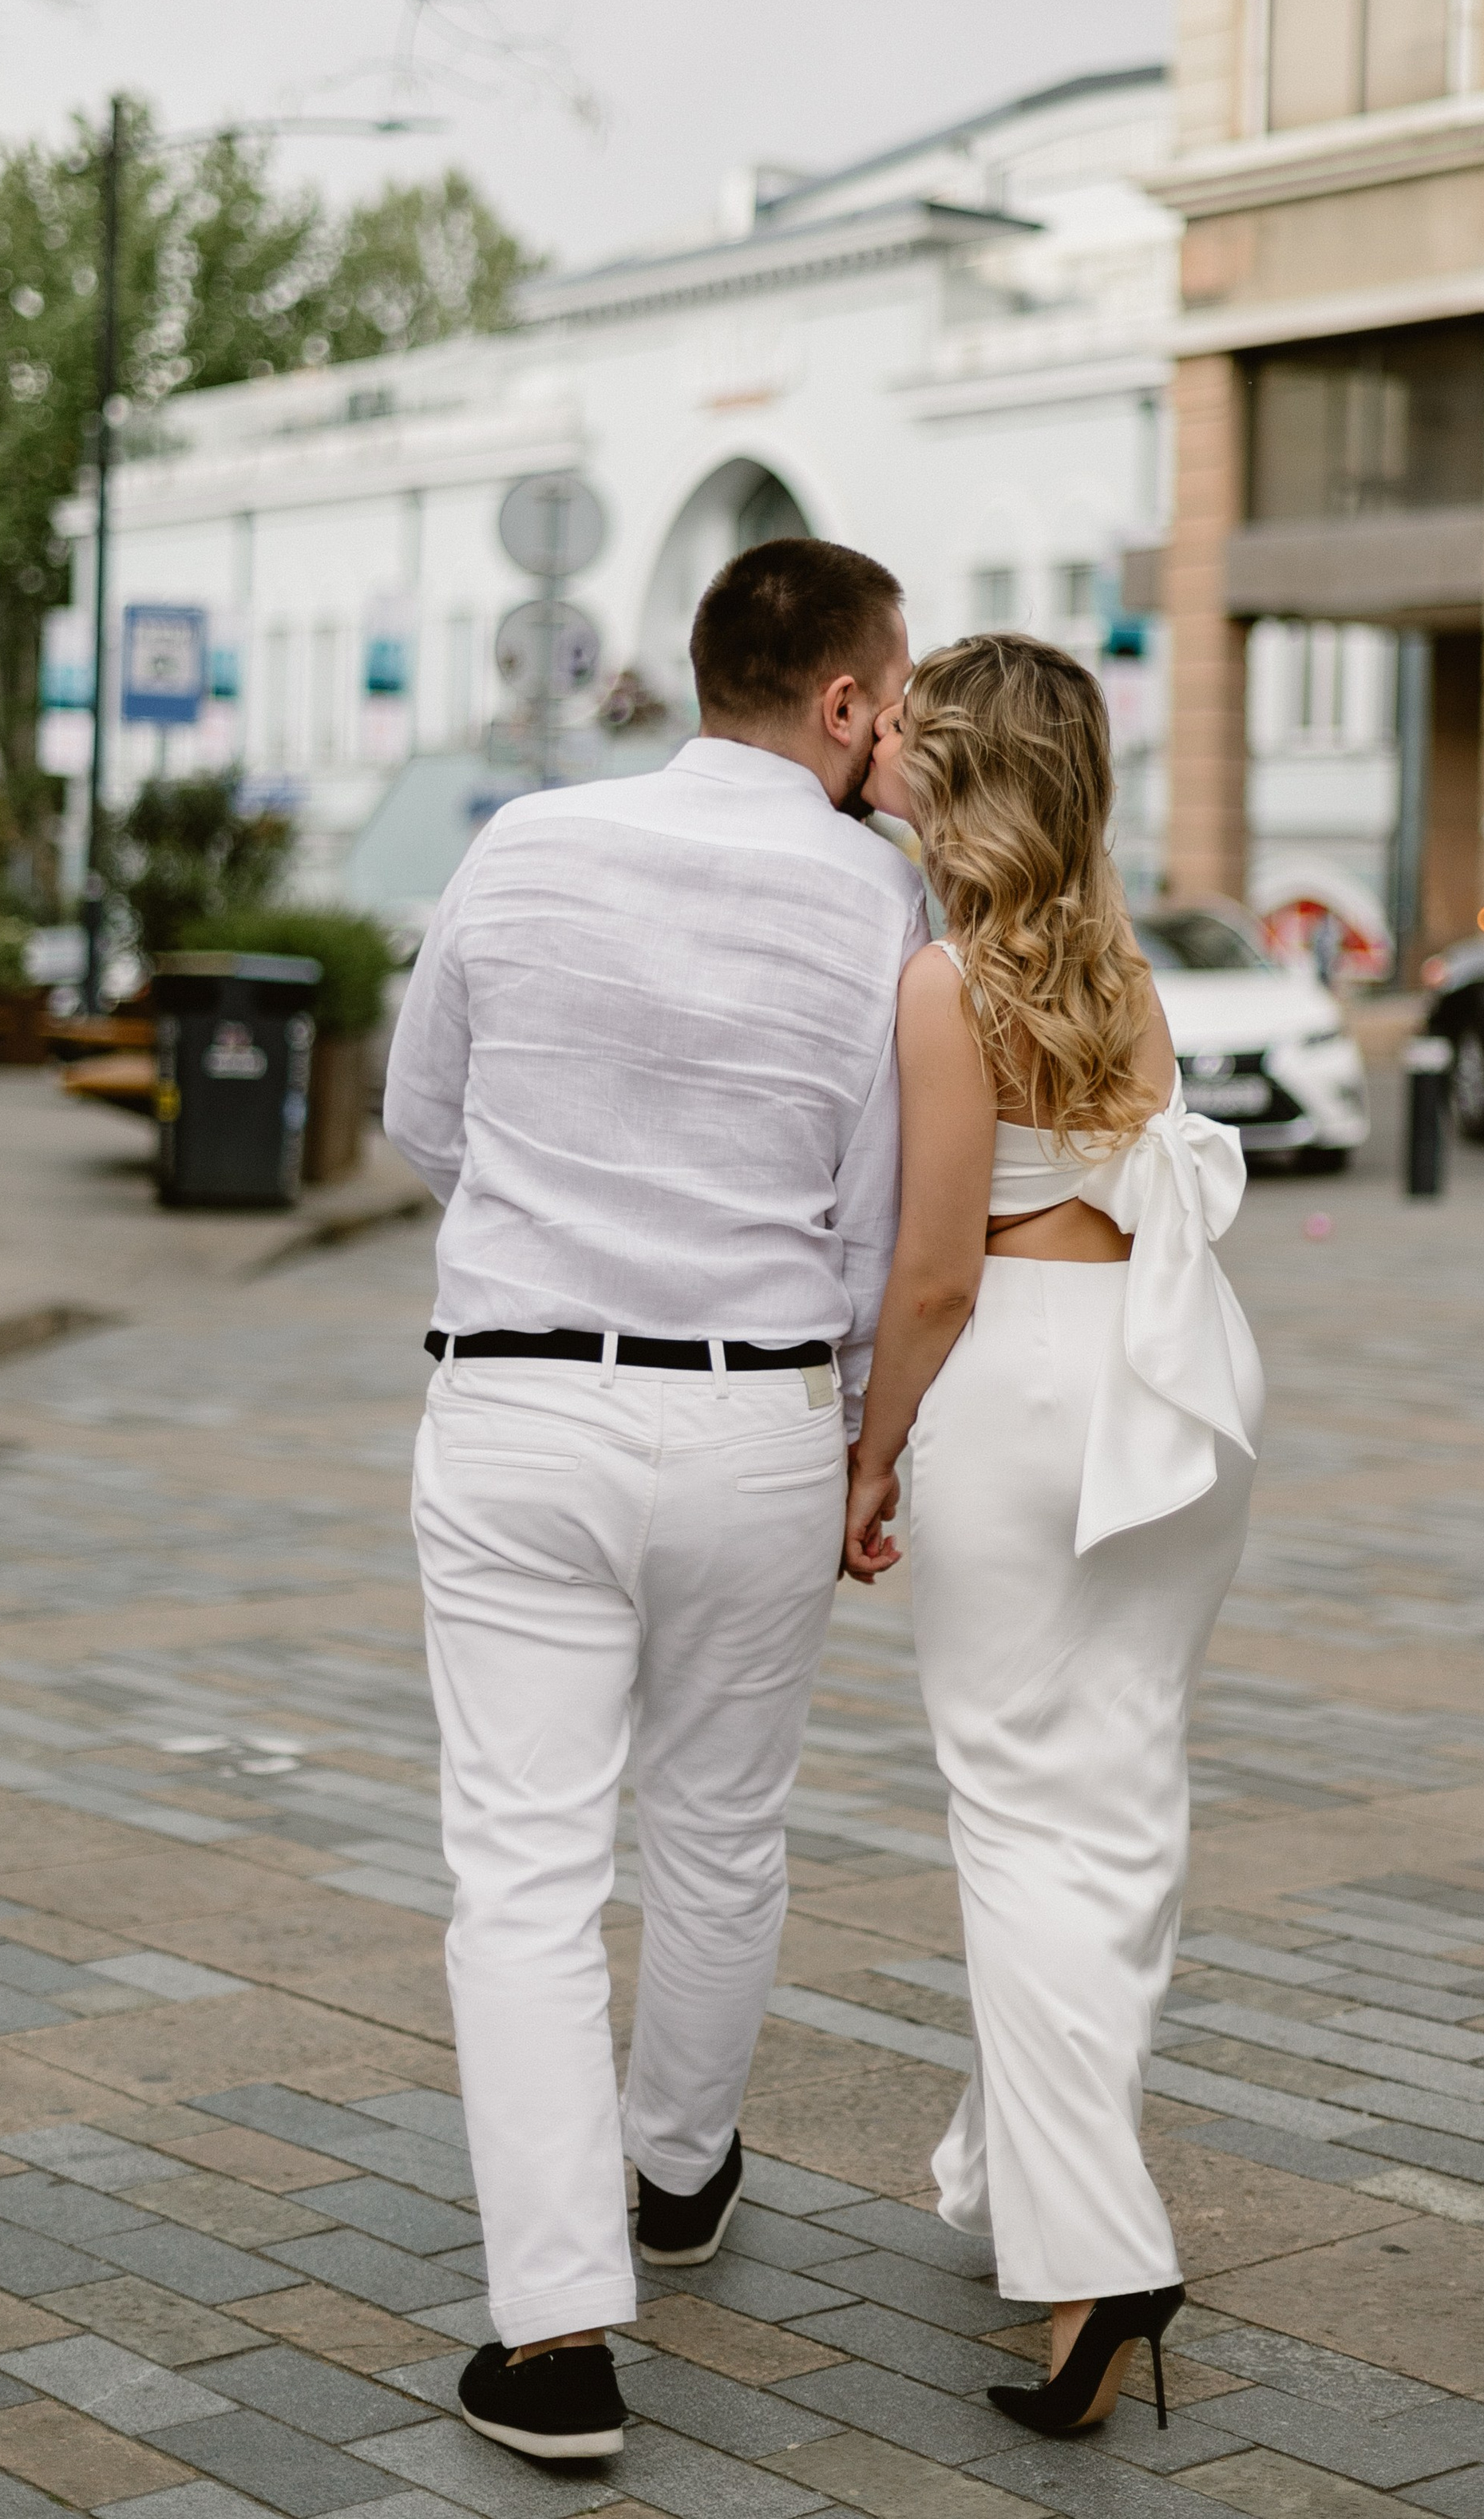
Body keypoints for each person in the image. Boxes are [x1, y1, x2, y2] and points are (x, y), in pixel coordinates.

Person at [383, 539, 922, 2463]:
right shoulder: (881, 898)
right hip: (757, 1416)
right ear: (844, 702)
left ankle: (553, 2343)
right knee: (720, 1826)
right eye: (896, 698)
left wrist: (561, 1234)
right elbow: (874, 1220)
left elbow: (420, 1115)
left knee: (520, 1871)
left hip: (519, 1400)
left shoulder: (524, 841)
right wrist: (856, 1433)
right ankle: (678, 2171)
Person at [843, 633, 1262, 2438]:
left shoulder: (947, 986)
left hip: (1016, 1390)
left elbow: (937, 1272)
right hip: (1165, 1394)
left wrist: (868, 1458)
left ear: (962, 777)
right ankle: (1030, 2167)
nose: (885, 754)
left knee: (1013, 1821)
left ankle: (1097, 2262)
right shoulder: (1125, 970)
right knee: (1119, 1805)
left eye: (911, 739)